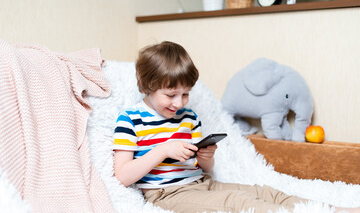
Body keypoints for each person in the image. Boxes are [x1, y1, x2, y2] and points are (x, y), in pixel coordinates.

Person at [112, 41, 360, 213]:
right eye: (170, 95)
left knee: (265, 191)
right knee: (239, 202)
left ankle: (335, 209)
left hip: (201, 184)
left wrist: (206, 157)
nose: (179, 103)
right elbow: (122, 176)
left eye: (185, 94)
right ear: (147, 86)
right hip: (168, 194)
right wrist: (163, 150)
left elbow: (204, 169)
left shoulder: (189, 117)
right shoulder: (131, 119)